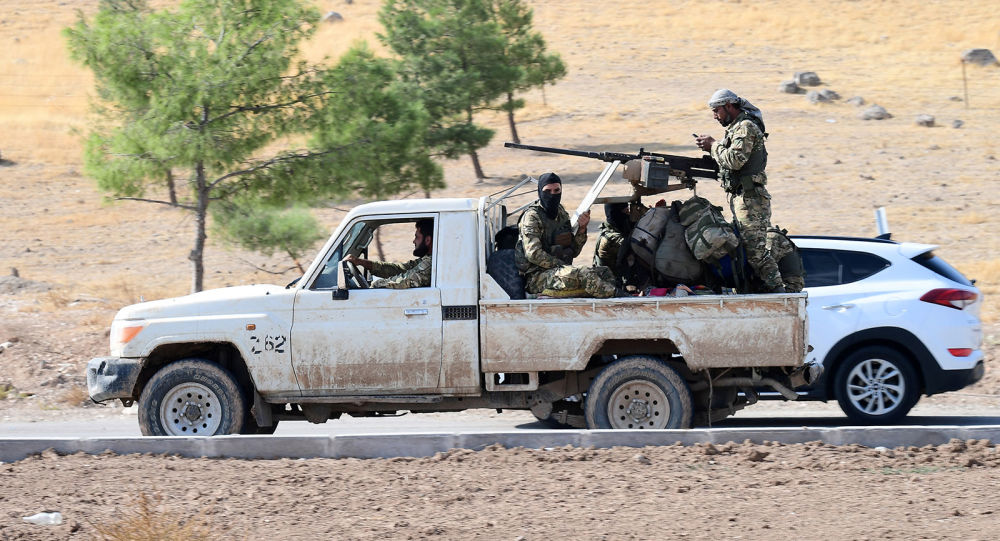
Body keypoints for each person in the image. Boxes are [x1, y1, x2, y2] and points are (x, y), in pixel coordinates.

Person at [695, 89, 786, 293]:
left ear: (729, 106)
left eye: (716, 110)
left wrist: (712, 146)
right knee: (745, 250)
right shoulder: (736, 129)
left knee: (755, 252)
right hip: (743, 199)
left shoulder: (745, 127)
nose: (715, 116)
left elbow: (735, 161)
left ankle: (781, 293)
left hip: (751, 200)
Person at [515, 172, 620, 298]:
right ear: (540, 192)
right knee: (583, 274)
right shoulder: (532, 217)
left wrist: (581, 229)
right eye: (548, 191)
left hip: (560, 271)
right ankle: (622, 298)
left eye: (556, 190)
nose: (552, 195)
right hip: (537, 277)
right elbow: (533, 254)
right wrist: (560, 265)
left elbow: (573, 251)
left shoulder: (561, 213)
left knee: (605, 272)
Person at [345, 219, 433, 289]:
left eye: (417, 237)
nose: (414, 241)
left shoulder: (430, 263)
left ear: (427, 240)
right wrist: (363, 263)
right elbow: (401, 269)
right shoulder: (427, 259)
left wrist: (375, 285)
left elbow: (405, 281)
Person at [593, 202, 630, 282]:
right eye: (626, 212)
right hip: (609, 285)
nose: (628, 215)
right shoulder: (610, 238)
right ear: (616, 214)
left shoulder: (610, 228)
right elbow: (633, 246)